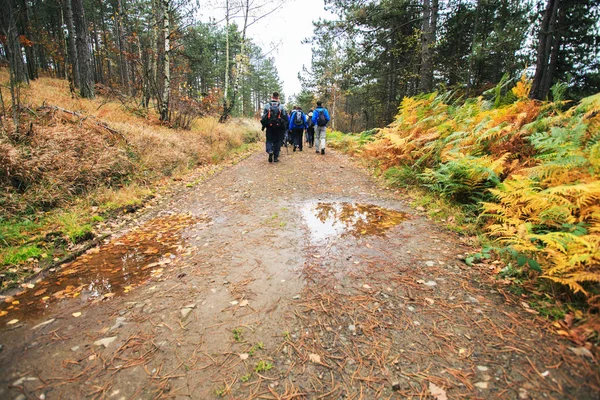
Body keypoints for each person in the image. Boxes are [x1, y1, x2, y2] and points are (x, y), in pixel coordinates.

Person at [261, 92, 288, 163]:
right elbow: (285, 117)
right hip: (279, 127)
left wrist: (264, 125)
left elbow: (263, 117)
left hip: (269, 127)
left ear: (272, 97)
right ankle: (275, 157)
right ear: (278, 97)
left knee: (269, 140)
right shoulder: (281, 106)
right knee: (277, 141)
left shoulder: (267, 106)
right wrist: (285, 126)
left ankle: (270, 150)